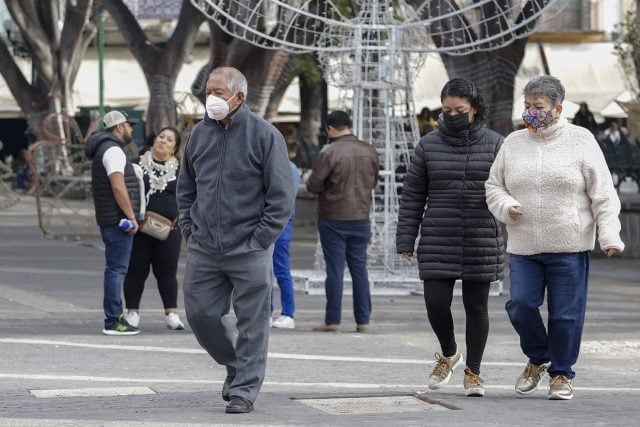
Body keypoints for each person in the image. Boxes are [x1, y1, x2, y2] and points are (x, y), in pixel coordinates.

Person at [485, 75, 625, 400]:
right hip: (524, 246)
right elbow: (494, 186)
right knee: (520, 305)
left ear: (558, 108)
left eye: (539, 107)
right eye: (528, 106)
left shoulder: (582, 140)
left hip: (569, 246)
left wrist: (609, 235)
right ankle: (538, 357)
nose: (531, 112)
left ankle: (561, 374)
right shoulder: (513, 142)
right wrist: (507, 205)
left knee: (565, 314)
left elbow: (602, 194)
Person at [177, 67, 295, 414]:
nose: (209, 98)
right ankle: (236, 366)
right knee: (200, 315)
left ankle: (244, 389)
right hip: (204, 247)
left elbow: (282, 196)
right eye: (208, 92)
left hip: (249, 248)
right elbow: (186, 188)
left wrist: (260, 239)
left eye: (216, 91)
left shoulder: (265, 135)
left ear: (238, 97)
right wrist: (189, 228)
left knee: (253, 322)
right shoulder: (198, 134)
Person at [396, 78, 505, 397]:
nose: (453, 115)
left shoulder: (497, 143)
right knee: (435, 303)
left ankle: (474, 372)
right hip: (437, 234)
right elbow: (413, 194)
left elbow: (507, 189)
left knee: (477, 307)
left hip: (480, 236)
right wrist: (406, 238)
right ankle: (449, 352)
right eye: (447, 110)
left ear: (474, 110)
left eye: (460, 110)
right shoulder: (427, 144)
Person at [306, 110, 379, 333]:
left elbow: (313, 186)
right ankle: (363, 321)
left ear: (330, 129)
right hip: (361, 218)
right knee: (359, 270)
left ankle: (333, 320)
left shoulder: (329, 152)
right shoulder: (369, 150)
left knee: (335, 270)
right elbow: (374, 181)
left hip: (333, 218)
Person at [123, 127, 185, 331]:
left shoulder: (182, 170)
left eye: (169, 140)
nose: (163, 141)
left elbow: (190, 196)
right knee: (136, 270)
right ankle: (132, 312)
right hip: (140, 228)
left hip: (170, 230)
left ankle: (172, 313)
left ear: (174, 148)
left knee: (167, 272)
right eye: (161, 137)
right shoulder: (135, 164)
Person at [85, 110, 141, 336]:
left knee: (114, 268)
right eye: (129, 125)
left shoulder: (102, 149)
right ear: (119, 127)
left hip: (109, 218)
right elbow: (118, 187)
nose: (131, 130)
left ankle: (113, 317)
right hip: (118, 220)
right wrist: (131, 217)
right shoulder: (114, 151)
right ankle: (113, 320)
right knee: (116, 269)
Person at [270, 159, 301, 329]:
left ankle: (288, 313)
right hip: (273, 220)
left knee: (280, 268)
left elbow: (287, 196)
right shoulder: (271, 163)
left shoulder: (289, 167)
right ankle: (267, 312)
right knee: (264, 269)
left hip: (280, 221)